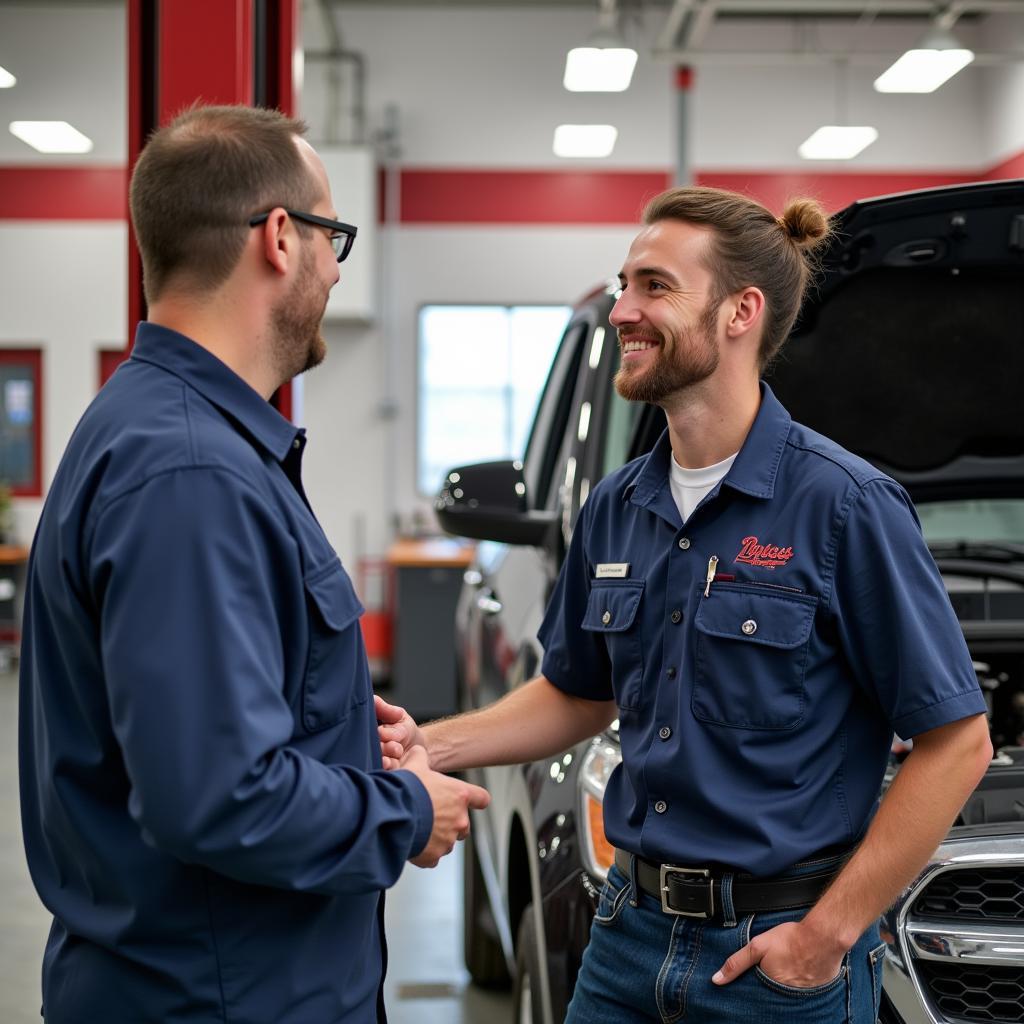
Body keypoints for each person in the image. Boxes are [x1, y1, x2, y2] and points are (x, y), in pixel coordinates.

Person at [376, 185, 992, 1022]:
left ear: (741, 311)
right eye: (623, 284)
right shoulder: (615, 507)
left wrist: (827, 936)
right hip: (627, 936)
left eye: (654, 286)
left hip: (776, 962)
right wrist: (433, 742)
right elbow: (577, 693)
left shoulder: (844, 506)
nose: (623, 310)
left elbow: (958, 743)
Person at [18, 104, 488, 1024]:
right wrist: (400, 810)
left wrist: (344, 737)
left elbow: (203, 730)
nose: (336, 264)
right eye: (332, 235)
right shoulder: (188, 470)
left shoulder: (165, 436)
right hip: (220, 996)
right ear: (280, 237)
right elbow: (213, 796)